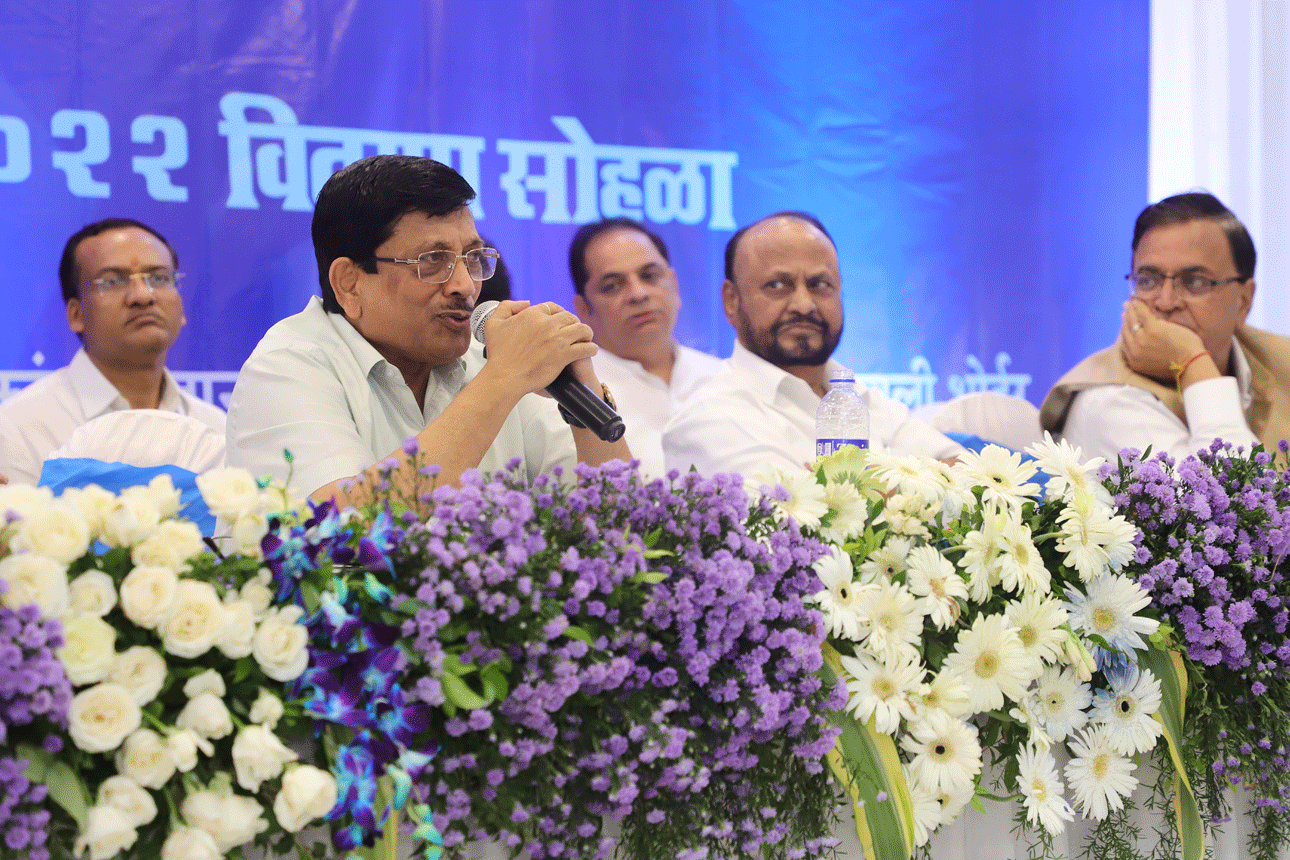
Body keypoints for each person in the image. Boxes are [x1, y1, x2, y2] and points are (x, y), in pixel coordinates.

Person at [225, 155, 629, 505]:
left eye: (473, 258)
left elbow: (625, 527)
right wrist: (503, 380)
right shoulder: (287, 367)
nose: (465, 286)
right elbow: (343, 530)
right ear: (349, 283)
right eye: (433, 260)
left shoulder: (490, 363)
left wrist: (585, 395)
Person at [662, 211, 963, 477]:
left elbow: (971, 479)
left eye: (819, 285)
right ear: (731, 301)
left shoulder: (859, 397)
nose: (804, 305)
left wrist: (851, 484)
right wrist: (916, 480)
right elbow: (798, 516)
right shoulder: (708, 417)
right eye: (777, 285)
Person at [1040, 192, 1290, 462]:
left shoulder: (1279, 359)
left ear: (1243, 302)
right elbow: (1231, 486)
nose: (1166, 302)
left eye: (1194, 281)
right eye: (1148, 280)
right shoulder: (1109, 403)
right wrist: (1190, 359)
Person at [0, 218, 225, 485]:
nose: (143, 296)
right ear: (76, 314)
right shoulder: (17, 429)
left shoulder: (217, 428)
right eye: (113, 281)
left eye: (159, 278)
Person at [568, 218, 722, 477]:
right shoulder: (574, 396)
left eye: (650, 276)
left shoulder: (724, 378)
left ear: (674, 284)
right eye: (613, 286)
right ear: (583, 308)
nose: (638, 294)